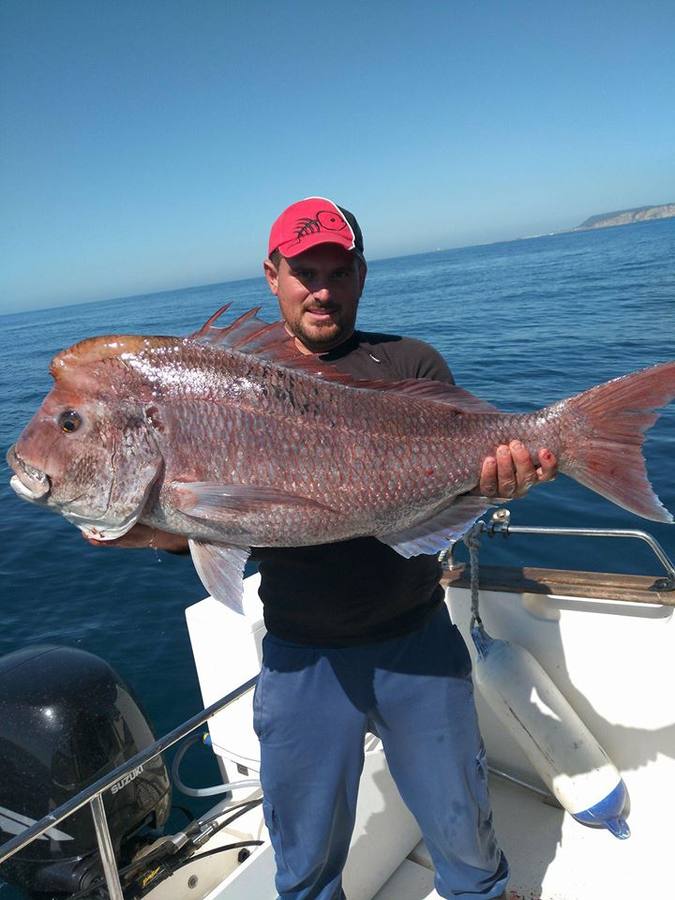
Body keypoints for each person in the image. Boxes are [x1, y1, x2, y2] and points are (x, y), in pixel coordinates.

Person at [91, 197, 557, 899]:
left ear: (360, 274)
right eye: (304, 271)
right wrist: (138, 521)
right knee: (303, 858)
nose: (321, 289)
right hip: (300, 655)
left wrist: (500, 482)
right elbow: (198, 525)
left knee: (463, 830)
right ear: (271, 273)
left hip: (415, 640)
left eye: (337, 272)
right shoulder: (219, 385)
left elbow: (461, 479)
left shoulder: (408, 361)